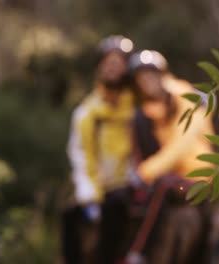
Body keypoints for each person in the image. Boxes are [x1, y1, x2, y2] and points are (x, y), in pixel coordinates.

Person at [124, 50, 214, 264]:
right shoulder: (150, 109)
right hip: (174, 177)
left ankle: (140, 253)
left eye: (151, 76)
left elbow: (180, 147)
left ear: (163, 75)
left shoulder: (186, 98)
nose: (147, 82)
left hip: (197, 179)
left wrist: (145, 172)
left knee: (163, 186)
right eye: (141, 79)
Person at [63, 35, 139, 264]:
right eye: (109, 62)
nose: (113, 68)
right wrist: (88, 192)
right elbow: (79, 154)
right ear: (100, 67)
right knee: (68, 215)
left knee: (115, 208)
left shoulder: (138, 105)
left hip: (130, 183)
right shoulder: (86, 112)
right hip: (98, 187)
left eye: (119, 63)